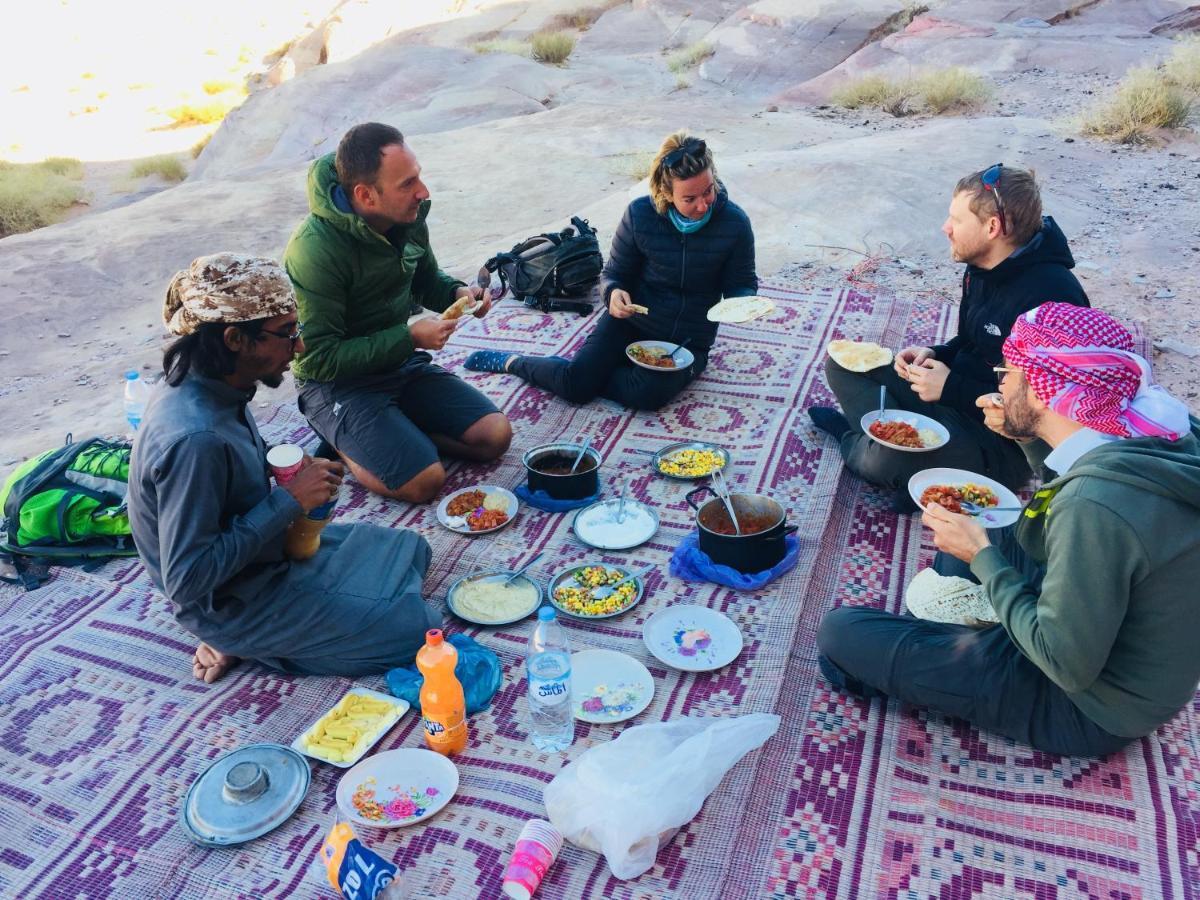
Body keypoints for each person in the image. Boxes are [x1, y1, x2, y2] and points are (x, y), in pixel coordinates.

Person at [816, 303, 1200, 757]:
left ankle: (961, 645)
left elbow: (1065, 662)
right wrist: (1030, 441)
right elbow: (1071, 513)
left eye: (1008, 373)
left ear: (1042, 390)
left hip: (1089, 705)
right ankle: (984, 618)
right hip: (1125, 643)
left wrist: (982, 559)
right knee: (987, 519)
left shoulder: (1094, 505)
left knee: (841, 634)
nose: (1000, 384)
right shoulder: (1155, 425)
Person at [128, 253, 441, 683]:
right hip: (232, 599)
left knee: (408, 548)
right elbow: (185, 580)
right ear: (236, 338)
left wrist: (288, 475)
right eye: (286, 334)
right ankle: (240, 643)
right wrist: (288, 501)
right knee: (415, 631)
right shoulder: (194, 440)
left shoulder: (213, 380)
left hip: (262, 555)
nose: (299, 347)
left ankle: (311, 614)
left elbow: (234, 477)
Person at [808, 164, 1089, 509]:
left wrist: (951, 387)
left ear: (992, 227)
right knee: (842, 365)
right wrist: (936, 354)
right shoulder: (982, 265)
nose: (945, 228)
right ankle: (905, 453)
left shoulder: (1052, 301)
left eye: (956, 220)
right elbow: (972, 341)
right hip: (951, 401)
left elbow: (1043, 411)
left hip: (997, 441)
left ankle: (858, 444)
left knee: (880, 461)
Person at [283, 122, 512, 504]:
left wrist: (458, 292)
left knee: (495, 436)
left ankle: (394, 437)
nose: (423, 192)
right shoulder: (314, 252)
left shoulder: (408, 218)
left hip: (397, 365)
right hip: (337, 384)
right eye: (407, 184)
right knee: (424, 483)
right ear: (366, 196)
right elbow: (316, 359)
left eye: (418, 176)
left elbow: (425, 279)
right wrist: (408, 337)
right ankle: (341, 439)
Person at [462, 132, 757, 411]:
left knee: (647, 395)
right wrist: (613, 293)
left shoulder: (735, 223)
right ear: (666, 194)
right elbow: (614, 273)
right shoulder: (640, 214)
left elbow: (741, 283)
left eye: (708, 192)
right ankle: (514, 362)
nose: (704, 205)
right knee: (575, 387)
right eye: (689, 199)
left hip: (686, 340)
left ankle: (595, 371)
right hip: (631, 322)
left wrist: (744, 302)